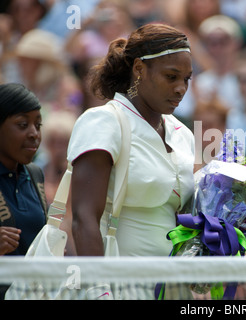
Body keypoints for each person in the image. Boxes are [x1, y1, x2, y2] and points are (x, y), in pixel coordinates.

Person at [66, 23, 195, 257]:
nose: (180, 88)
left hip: (175, 286)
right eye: (171, 76)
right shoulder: (104, 122)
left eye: (186, 79)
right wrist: (98, 289)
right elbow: (84, 220)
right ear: (139, 69)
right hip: (120, 286)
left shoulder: (183, 134)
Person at [0, 83, 46, 257]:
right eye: (23, 124)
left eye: (38, 125)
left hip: (32, 283)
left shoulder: (35, 174)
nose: (34, 133)